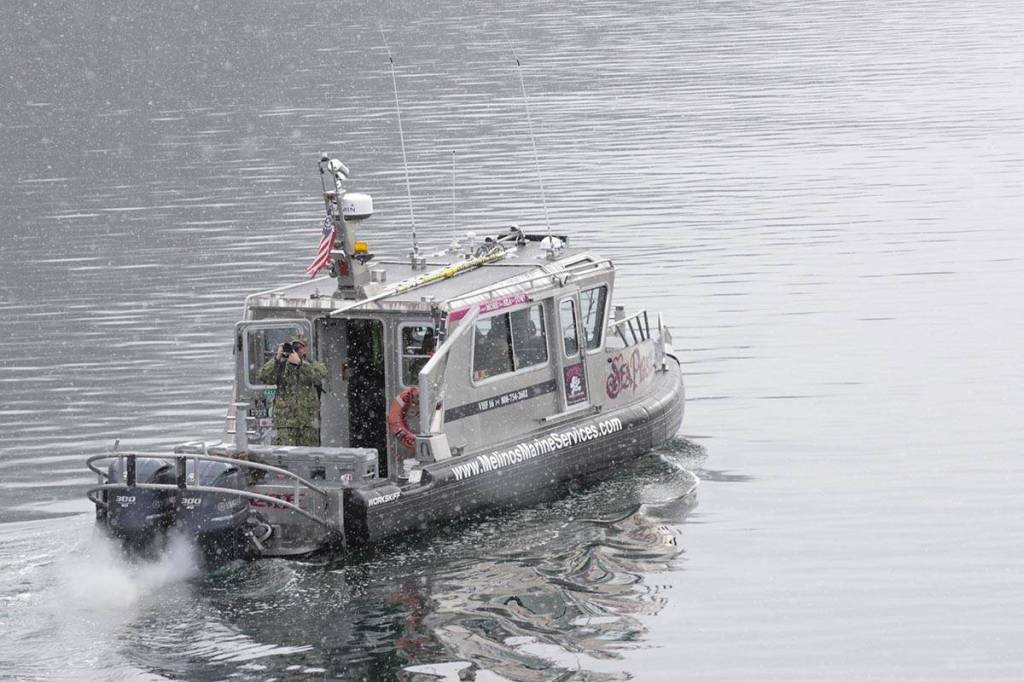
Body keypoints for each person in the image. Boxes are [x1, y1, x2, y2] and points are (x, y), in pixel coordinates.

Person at [257, 334, 327, 446]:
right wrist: (277, 358)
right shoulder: (281, 367)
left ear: (305, 349)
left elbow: (319, 375)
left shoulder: (312, 365)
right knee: (284, 457)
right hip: (285, 423)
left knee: (308, 456)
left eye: (299, 347)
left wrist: (300, 364)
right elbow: (263, 376)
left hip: (307, 423)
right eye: (294, 347)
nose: (296, 350)